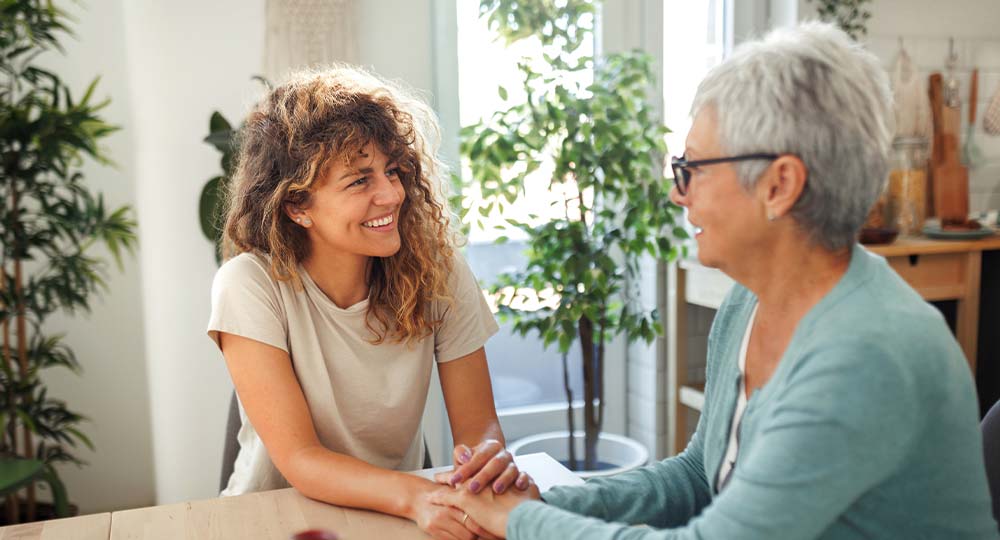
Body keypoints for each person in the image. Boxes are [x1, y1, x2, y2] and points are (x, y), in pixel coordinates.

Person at [431, 22, 1000, 539]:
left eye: (693, 169)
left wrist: (524, 523)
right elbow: (698, 477)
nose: (678, 192)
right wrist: (551, 502)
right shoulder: (751, 301)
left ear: (780, 184)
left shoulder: (868, 354)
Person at [207, 65, 529, 540]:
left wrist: (484, 463)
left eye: (393, 170)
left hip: (396, 514)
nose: (392, 193)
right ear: (297, 207)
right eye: (360, 181)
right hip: (274, 520)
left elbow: (479, 425)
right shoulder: (249, 285)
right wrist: (419, 497)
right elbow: (301, 459)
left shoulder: (437, 271)